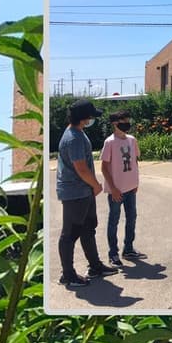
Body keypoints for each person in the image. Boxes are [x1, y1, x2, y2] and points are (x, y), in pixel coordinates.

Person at [56, 99, 119, 287]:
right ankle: (68, 275)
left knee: (88, 229)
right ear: (83, 117)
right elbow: (81, 168)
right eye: (91, 116)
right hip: (75, 193)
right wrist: (96, 185)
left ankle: (95, 266)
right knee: (70, 234)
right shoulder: (73, 138)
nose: (92, 119)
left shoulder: (77, 133)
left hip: (83, 192)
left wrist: (91, 187)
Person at [100, 110, 145, 266]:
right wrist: (113, 188)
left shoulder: (132, 140)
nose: (127, 123)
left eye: (127, 120)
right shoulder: (110, 142)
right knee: (114, 220)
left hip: (130, 188)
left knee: (131, 218)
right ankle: (113, 254)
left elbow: (135, 162)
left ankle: (128, 248)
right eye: (123, 121)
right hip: (116, 191)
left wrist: (136, 182)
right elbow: (104, 167)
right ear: (115, 123)